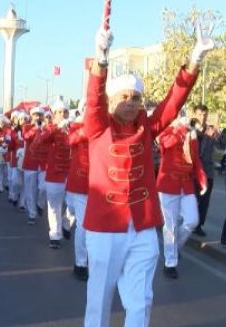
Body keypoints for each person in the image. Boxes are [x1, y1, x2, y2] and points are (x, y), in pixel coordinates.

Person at [82, 23, 211, 326]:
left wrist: (195, 58)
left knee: (141, 301)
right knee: (99, 300)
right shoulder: (98, 126)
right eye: (123, 96)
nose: (130, 102)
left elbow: (173, 102)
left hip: (141, 225)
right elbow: (93, 101)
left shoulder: (146, 128)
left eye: (136, 97)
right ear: (113, 100)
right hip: (104, 227)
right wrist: (101, 58)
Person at [156, 117, 208, 278]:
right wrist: (179, 130)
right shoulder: (167, 131)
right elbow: (166, 145)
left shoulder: (191, 134)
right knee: (170, 226)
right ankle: (170, 263)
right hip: (168, 184)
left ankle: (174, 248)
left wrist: (202, 179)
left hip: (186, 185)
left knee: (192, 220)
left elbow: (195, 159)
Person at [34, 99, 74, 249]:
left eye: (64, 112)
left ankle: (66, 222)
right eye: (58, 112)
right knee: (54, 206)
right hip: (54, 174)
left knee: (74, 205)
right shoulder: (50, 129)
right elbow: (39, 141)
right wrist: (55, 128)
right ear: (53, 114)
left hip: (71, 173)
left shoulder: (73, 128)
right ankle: (55, 234)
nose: (61, 115)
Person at [65, 101, 89, 280]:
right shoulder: (77, 126)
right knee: (82, 224)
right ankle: (81, 263)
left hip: (102, 183)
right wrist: (89, 127)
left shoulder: (108, 124)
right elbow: (71, 140)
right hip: (80, 182)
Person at [192, 105, 218, 236]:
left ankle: (199, 225)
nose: (203, 117)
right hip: (192, 171)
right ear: (195, 114)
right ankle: (189, 222)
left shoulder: (211, 131)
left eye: (205, 114)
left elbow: (219, 148)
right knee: (192, 199)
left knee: (204, 200)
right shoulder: (189, 129)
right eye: (200, 114)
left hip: (207, 171)